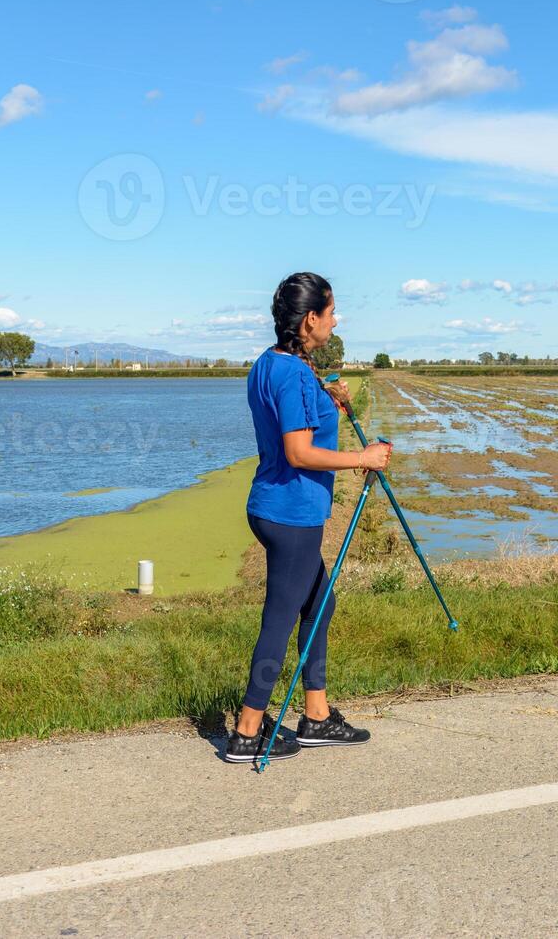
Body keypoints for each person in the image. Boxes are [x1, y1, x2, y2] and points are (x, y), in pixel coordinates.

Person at [226, 272, 392, 763]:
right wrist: (364, 459)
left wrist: (331, 398)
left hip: (274, 506)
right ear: (310, 320)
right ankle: (247, 731)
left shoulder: (274, 363)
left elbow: (300, 415)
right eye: (331, 311)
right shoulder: (294, 372)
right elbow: (299, 452)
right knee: (280, 618)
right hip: (292, 510)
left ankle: (316, 717)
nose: (336, 320)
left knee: (321, 604)